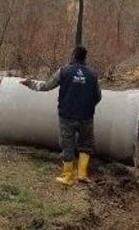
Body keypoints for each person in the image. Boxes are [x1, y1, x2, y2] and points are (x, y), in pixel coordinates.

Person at [21, 45, 102, 185]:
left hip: (67, 115)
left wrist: (30, 83)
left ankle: (68, 176)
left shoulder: (64, 71)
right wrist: (88, 107)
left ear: (73, 56)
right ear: (85, 57)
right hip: (86, 116)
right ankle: (82, 175)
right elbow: (98, 96)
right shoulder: (93, 74)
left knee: (67, 143)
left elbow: (46, 86)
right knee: (86, 144)